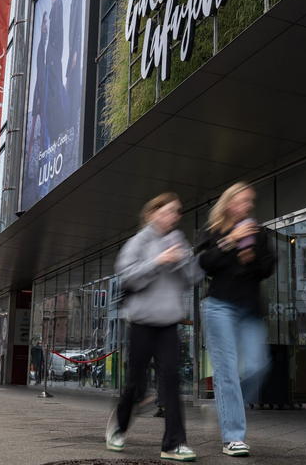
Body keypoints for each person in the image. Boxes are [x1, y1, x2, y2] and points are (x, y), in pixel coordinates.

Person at [106, 193, 201, 462]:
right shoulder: (138, 242)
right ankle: (119, 427)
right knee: (135, 382)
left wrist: (186, 261)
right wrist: (158, 261)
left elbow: (192, 278)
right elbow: (127, 277)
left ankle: (173, 444)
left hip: (169, 322)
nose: (173, 216)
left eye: (177, 212)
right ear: (153, 214)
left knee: (170, 382)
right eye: (168, 211)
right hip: (142, 322)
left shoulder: (177, 239)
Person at [196, 182, 274, 457]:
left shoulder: (258, 232)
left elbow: (268, 266)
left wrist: (252, 258)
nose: (247, 206)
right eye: (242, 201)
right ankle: (233, 436)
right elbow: (205, 263)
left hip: (250, 308)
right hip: (219, 306)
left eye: (250, 202)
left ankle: (227, 404)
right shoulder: (213, 229)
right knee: (227, 370)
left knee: (258, 366)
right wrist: (231, 240)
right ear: (229, 203)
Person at [65, 0, 83, 125]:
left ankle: (72, 118)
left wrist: (76, 51)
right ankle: (71, 118)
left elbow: (77, 23)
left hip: (76, 49)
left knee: (73, 79)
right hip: (74, 48)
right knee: (71, 79)